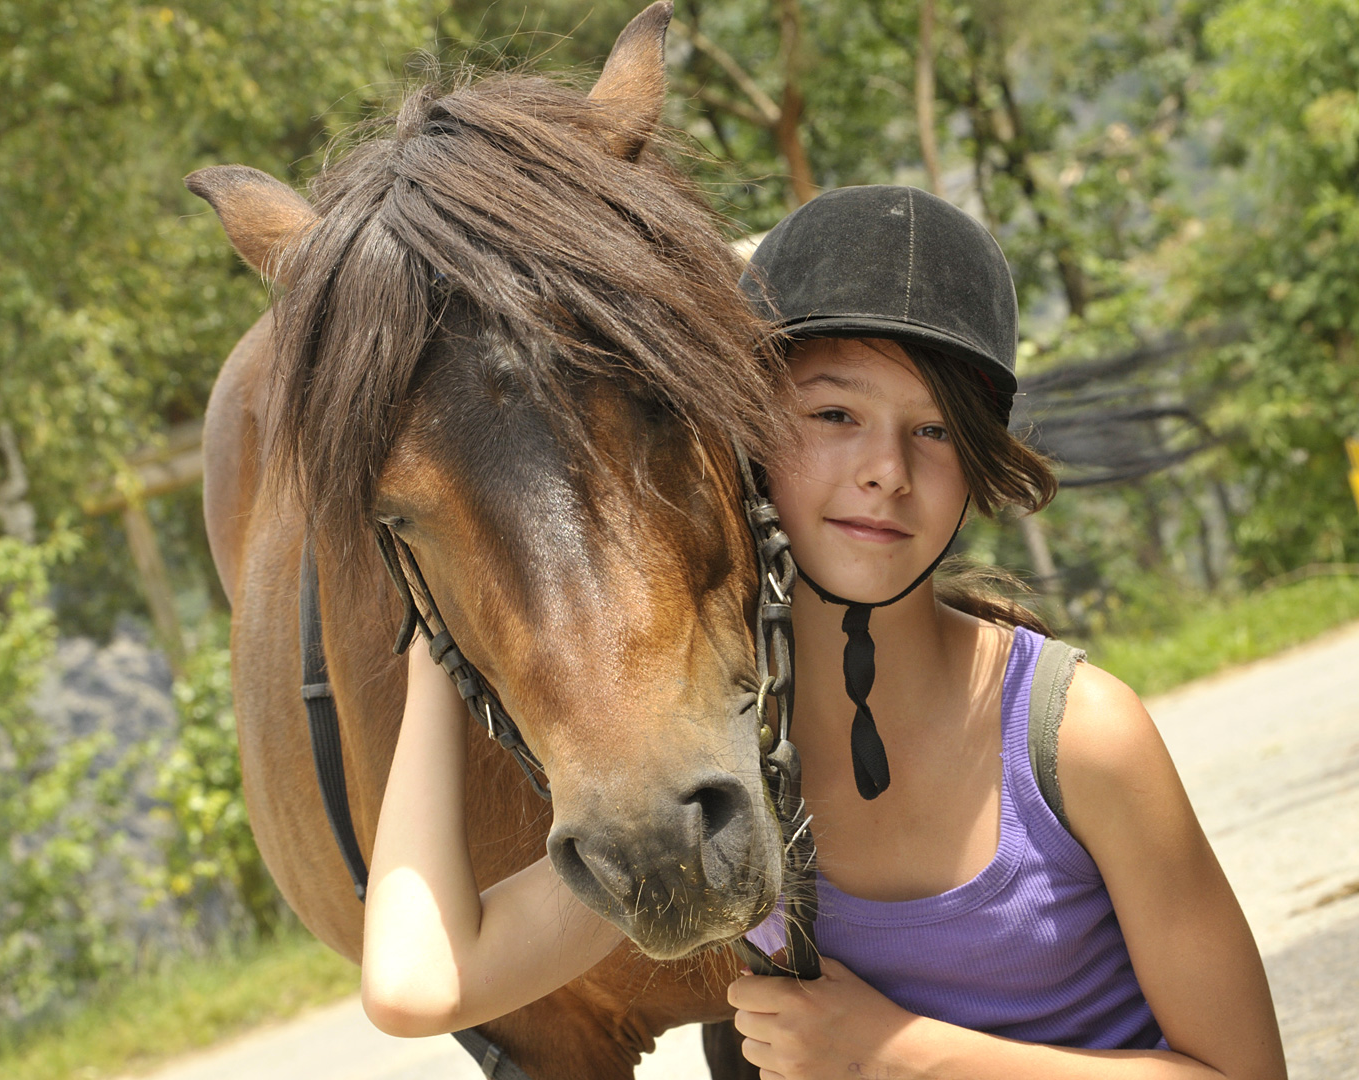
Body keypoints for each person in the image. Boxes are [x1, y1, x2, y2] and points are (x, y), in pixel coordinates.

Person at [360, 186, 1286, 1079]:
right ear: (741, 438)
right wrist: (442, 607)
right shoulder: (734, 769)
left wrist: (899, 1055)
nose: (885, 469)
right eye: (835, 415)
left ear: (975, 468)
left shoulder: (1075, 736)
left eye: (934, 430)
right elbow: (416, 985)